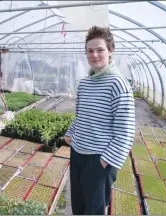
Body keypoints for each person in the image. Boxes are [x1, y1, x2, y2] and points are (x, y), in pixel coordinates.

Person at [64, 26, 135, 215]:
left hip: (99, 157)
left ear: (111, 51)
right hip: (78, 153)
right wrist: (70, 134)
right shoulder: (85, 83)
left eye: (100, 49)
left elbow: (125, 131)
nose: (94, 55)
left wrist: (104, 162)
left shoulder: (118, 84)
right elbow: (81, 116)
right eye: (90, 50)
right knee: (78, 205)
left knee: (94, 210)